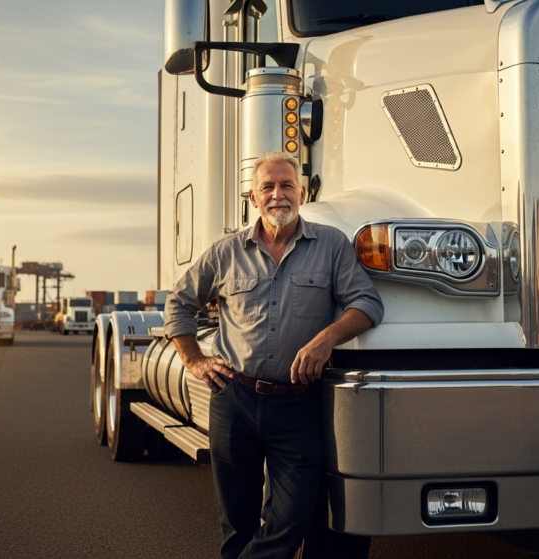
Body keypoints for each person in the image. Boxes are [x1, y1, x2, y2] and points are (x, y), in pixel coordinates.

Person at [163, 151, 384, 559]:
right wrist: (194, 360)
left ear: (301, 192)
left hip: (298, 404)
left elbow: (367, 304)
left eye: (286, 186)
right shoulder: (225, 252)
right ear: (253, 197)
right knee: (238, 521)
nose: (277, 195)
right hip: (234, 400)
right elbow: (178, 303)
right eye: (268, 186)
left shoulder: (330, 245)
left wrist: (326, 339)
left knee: (293, 518)